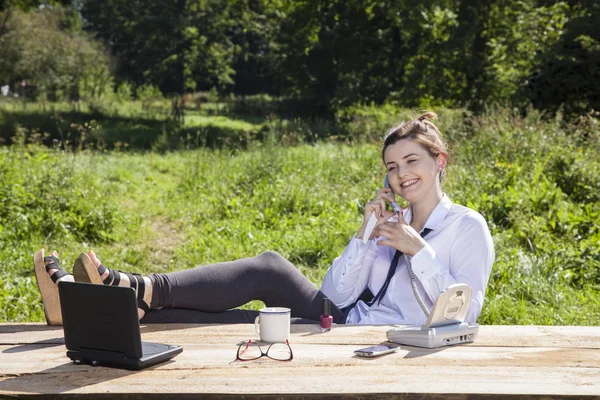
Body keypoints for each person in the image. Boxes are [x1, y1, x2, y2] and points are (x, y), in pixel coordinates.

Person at [35, 111, 494, 326]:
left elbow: (466, 315)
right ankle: (107, 298)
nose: (401, 175)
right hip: (346, 321)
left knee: (248, 311)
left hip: (388, 339)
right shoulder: (389, 224)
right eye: (392, 167)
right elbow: (335, 295)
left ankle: (113, 297)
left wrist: (420, 251)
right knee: (265, 275)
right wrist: (364, 237)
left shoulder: (466, 228)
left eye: (411, 161)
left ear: (441, 162)